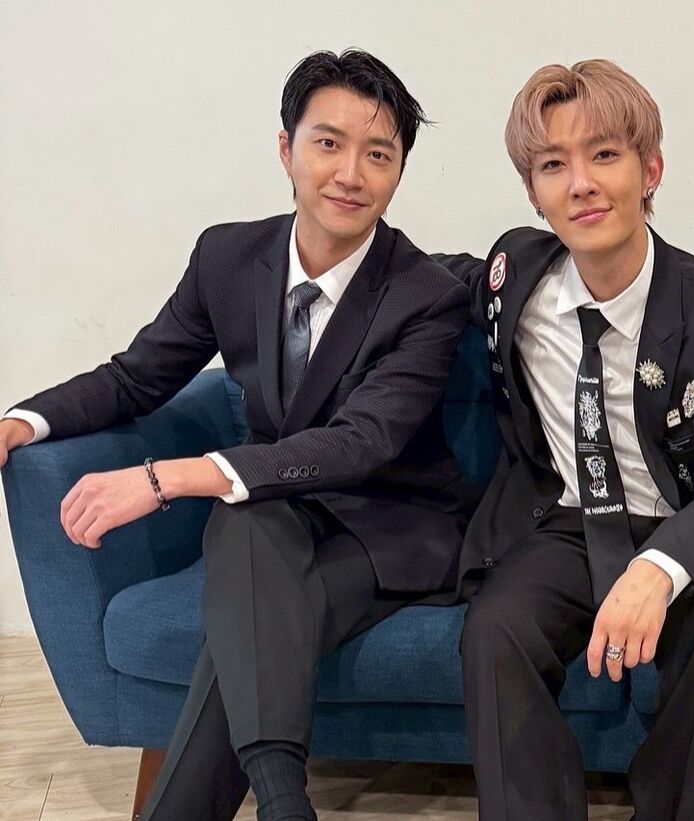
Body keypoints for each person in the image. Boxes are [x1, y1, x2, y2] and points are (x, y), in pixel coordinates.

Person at [0, 48, 473, 821]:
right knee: (245, 526)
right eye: (328, 143)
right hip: (272, 512)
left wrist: (170, 477)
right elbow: (137, 376)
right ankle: (286, 802)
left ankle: (278, 802)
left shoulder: (425, 296)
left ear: (397, 173)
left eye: (378, 154)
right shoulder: (227, 256)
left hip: (389, 524)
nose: (350, 173)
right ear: (286, 148)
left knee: (246, 612)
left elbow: (358, 443)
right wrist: (19, 421)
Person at [432, 59, 694, 820]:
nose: (581, 184)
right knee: (496, 628)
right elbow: (412, 277)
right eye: (552, 165)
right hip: (566, 523)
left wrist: (658, 569)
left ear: (649, 170)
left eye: (604, 155)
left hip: (690, 524)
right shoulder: (513, 273)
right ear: (533, 192)